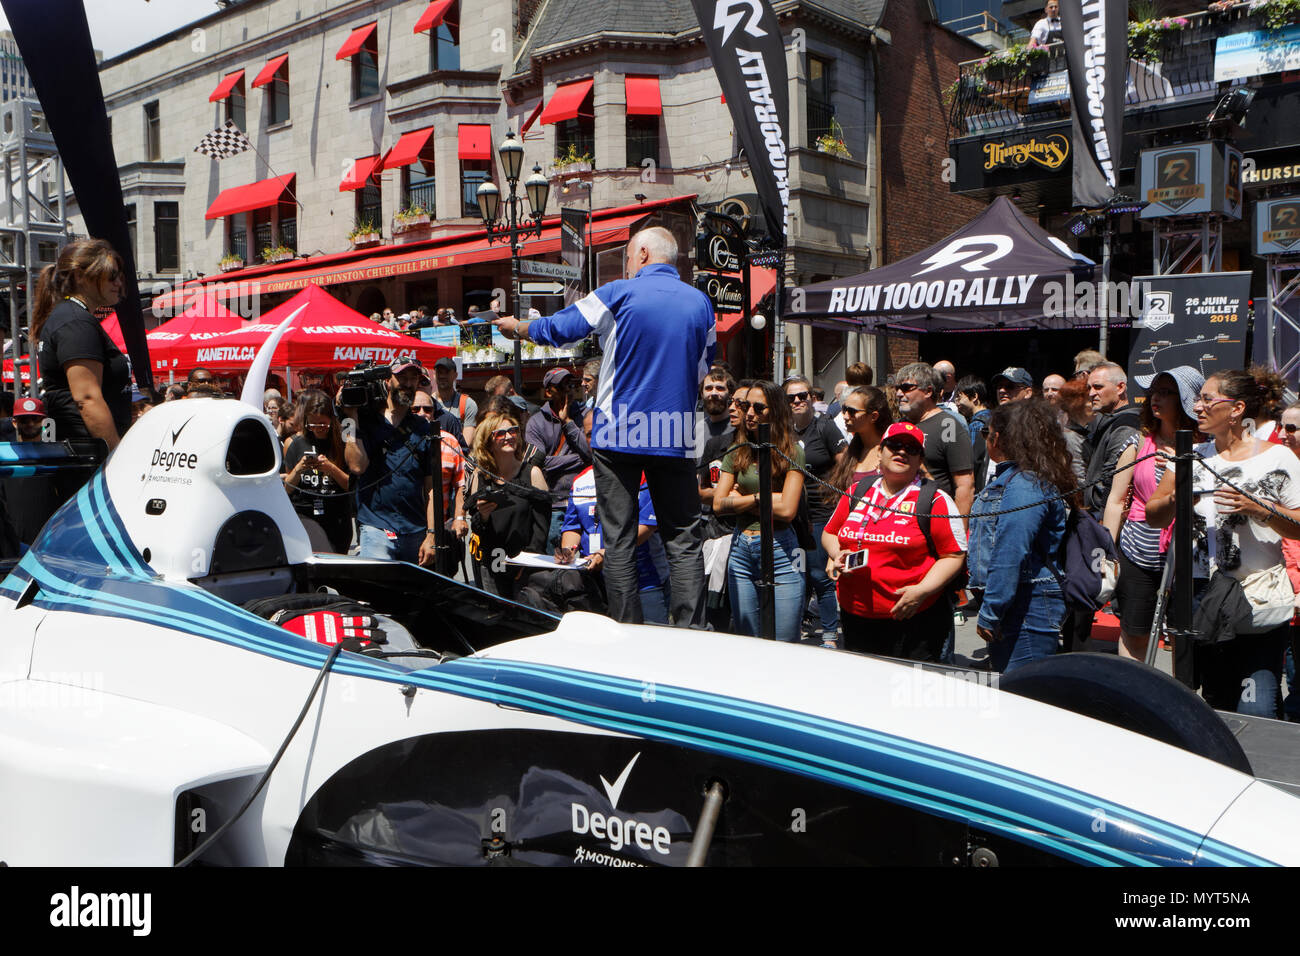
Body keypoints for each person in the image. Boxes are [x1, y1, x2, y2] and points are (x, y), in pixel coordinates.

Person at [494, 225, 714, 627]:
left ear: (643, 254)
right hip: (676, 432)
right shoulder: (701, 303)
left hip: (620, 433)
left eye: (629, 256)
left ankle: (627, 630)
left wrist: (520, 329)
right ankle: (690, 632)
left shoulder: (620, 293)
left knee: (619, 538)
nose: (627, 264)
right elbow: (703, 367)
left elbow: (563, 327)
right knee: (683, 541)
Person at [1146, 370, 1300, 718]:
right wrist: (1177, 497)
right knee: (1216, 703)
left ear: (1237, 409)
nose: (1197, 406)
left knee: (1256, 706)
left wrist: (1261, 509)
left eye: (1207, 399)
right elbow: (1153, 515)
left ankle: (1258, 767)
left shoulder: (1277, 458)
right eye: (1198, 399)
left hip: (1256, 594)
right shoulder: (1191, 455)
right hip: (1203, 594)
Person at [823, 421, 967, 660]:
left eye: (911, 449)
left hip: (913, 621)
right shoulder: (858, 490)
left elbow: (953, 555)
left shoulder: (934, 499)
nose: (902, 451)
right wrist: (836, 554)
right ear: (880, 452)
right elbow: (830, 533)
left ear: (920, 459)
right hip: (855, 617)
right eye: (895, 445)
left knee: (908, 692)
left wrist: (922, 590)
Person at [1102, 367, 1203, 661]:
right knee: (1134, 632)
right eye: (1153, 392)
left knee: (1182, 638)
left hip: (1188, 553)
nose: (1155, 398)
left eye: (1166, 392)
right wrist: (1109, 552)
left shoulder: (1205, 447)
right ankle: (1131, 697)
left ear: (1185, 400)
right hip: (1137, 552)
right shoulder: (1137, 442)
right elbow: (1115, 500)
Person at [968, 400, 1072, 673]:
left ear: (997, 437)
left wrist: (991, 611)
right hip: (1020, 601)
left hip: (1028, 603)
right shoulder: (1019, 480)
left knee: (1024, 693)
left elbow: (1010, 551)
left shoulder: (1025, 484)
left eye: (985, 433)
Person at [343, 359, 463, 564]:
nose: (408, 384)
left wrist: (433, 534)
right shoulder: (361, 421)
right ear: (388, 381)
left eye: (413, 379)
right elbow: (356, 466)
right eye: (402, 378)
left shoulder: (424, 428)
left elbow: (432, 488)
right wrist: (349, 416)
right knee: (379, 586)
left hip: (414, 527)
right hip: (376, 526)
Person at [714, 381, 806, 641]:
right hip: (741, 548)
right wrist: (762, 499)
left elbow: (788, 510)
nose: (750, 413)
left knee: (785, 642)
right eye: (745, 406)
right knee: (748, 641)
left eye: (758, 407)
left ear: (774, 411)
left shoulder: (792, 452)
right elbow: (719, 505)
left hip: (781, 550)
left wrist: (744, 499)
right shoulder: (736, 451)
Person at [31, 238, 130, 452]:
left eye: (119, 277)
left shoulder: (73, 317)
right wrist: (117, 456)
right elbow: (87, 398)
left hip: (83, 450)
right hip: (87, 454)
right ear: (80, 277)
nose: (118, 283)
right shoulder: (76, 321)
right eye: (111, 276)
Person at [559, 441, 672, 624]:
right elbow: (572, 526)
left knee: (650, 645)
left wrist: (607, 554)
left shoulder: (644, 475)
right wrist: (568, 550)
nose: (593, 438)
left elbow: (646, 527)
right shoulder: (580, 480)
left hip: (644, 583)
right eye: (588, 434)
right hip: (596, 584)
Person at [462, 410, 551, 598]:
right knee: (497, 619)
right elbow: (477, 527)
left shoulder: (532, 473)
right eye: (501, 433)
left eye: (513, 431)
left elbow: (541, 527)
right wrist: (483, 517)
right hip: (493, 563)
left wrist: (528, 561)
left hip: (526, 563)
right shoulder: (482, 477)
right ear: (488, 442)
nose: (509, 436)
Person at [787, 374, 848, 647]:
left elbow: (846, 465)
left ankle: (830, 634)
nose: (798, 401)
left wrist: (833, 492)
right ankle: (796, 626)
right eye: (791, 398)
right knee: (794, 573)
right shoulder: (783, 432)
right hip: (791, 515)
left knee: (818, 575)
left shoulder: (825, 428)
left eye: (803, 396)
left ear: (812, 399)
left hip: (821, 513)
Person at [894, 361, 975, 520]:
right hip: (899, 522)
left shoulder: (948, 425)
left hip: (934, 520)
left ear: (928, 391)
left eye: (906, 388)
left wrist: (957, 531)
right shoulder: (898, 425)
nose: (898, 394)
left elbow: (965, 485)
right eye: (897, 388)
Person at [525, 367, 593, 552]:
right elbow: (538, 465)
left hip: (584, 501)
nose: (568, 391)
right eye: (562, 387)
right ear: (548, 391)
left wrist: (568, 423)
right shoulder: (536, 422)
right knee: (554, 564)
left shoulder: (585, 415)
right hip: (553, 505)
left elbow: (592, 453)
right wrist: (579, 460)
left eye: (571, 385)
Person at [282, 389, 354, 553]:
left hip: (337, 517)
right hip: (305, 516)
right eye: (313, 424)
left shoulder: (343, 441)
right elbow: (288, 489)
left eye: (323, 424)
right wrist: (299, 468)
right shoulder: (295, 443)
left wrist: (331, 469)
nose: (318, 429)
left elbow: (352, 486)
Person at [0, 397, 62, 547]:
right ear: (15, 423)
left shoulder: (57, 457)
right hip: (13, 546)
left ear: (44, 422)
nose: (30, 423)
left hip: (47, 543)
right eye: (24, 419)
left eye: (35, 419)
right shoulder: (4, 456)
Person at [1084, 362, 1141, 516]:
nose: (1091, 393)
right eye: (1089, 388)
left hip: (1105, 517)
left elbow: (1113, 481)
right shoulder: (1106, 420)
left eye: (1098, 387)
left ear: (1120, 387)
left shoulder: (1126, 425)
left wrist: (1104, 523)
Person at [431, 356, 477, 447]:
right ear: (434, 375)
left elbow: (466, 444)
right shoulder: (427, 404)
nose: (442, 376)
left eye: (447, 372)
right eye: (439, 372)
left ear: (455, 375)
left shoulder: (467, 404)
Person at [1057, 377, 1092, 484]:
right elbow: (1078, 478)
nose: (1093, 404)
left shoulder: (1081, 433)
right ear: (1077, 405)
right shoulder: (1071, 437)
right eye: (1089, 400)